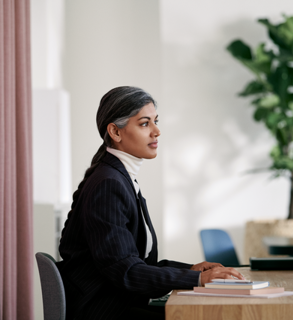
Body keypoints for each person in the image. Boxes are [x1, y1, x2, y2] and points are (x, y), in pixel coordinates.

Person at [57, 86, 244, 319]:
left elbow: (135, 261)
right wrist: (197, 279)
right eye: (145, 123)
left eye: (155, 121)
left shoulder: (119, 177)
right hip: (105, 310)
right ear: (115, 131)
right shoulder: (108, 184)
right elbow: (125, 271)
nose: (157, 131)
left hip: (119, 303)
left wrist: (190, 269)